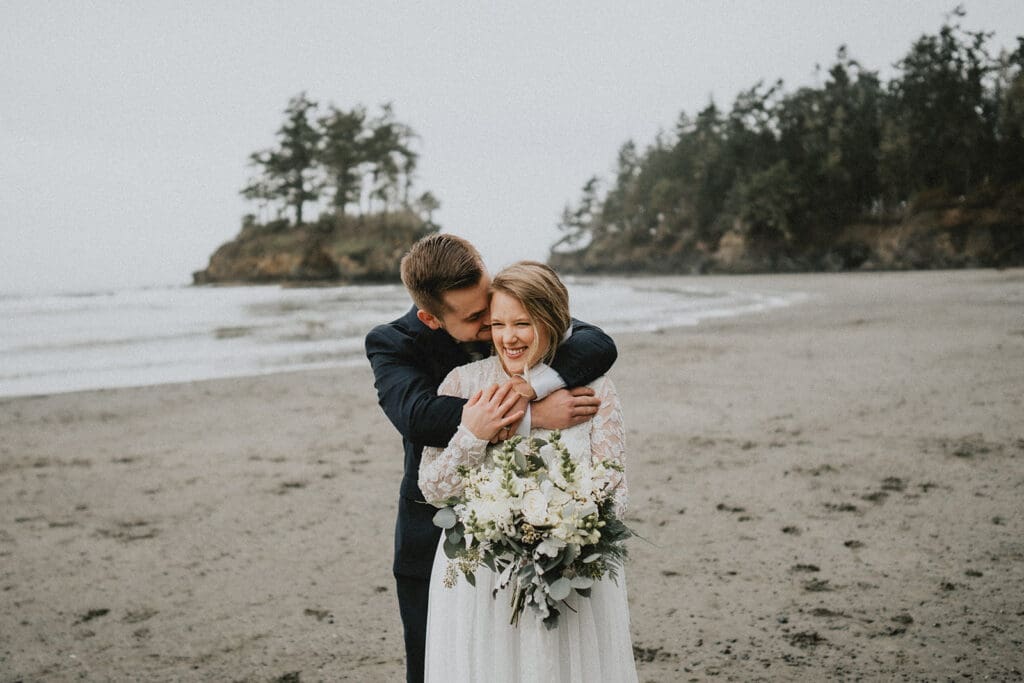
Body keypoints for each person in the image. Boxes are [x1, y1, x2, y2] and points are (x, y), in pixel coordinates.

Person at [365, 234, 617, 683]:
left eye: (492, 304)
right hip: (435, 536)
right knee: (436, 666)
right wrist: (532, 415)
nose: (494, 326)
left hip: (540, 528)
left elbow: (596, 343)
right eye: (479, 317)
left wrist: (537, 383)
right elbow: (420, 417)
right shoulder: (393, 343)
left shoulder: (502, 312)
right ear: (431, 318)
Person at [418, 261, 638, 682]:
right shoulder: (462, 385)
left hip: (567, 571)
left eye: (523, 323)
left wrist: (562, 529)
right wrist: (472, 434)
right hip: (481, 574)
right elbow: (431, 488)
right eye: (497, 324)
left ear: (552, 320)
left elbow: (616, 489)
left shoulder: (596, 390)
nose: (508, 337)